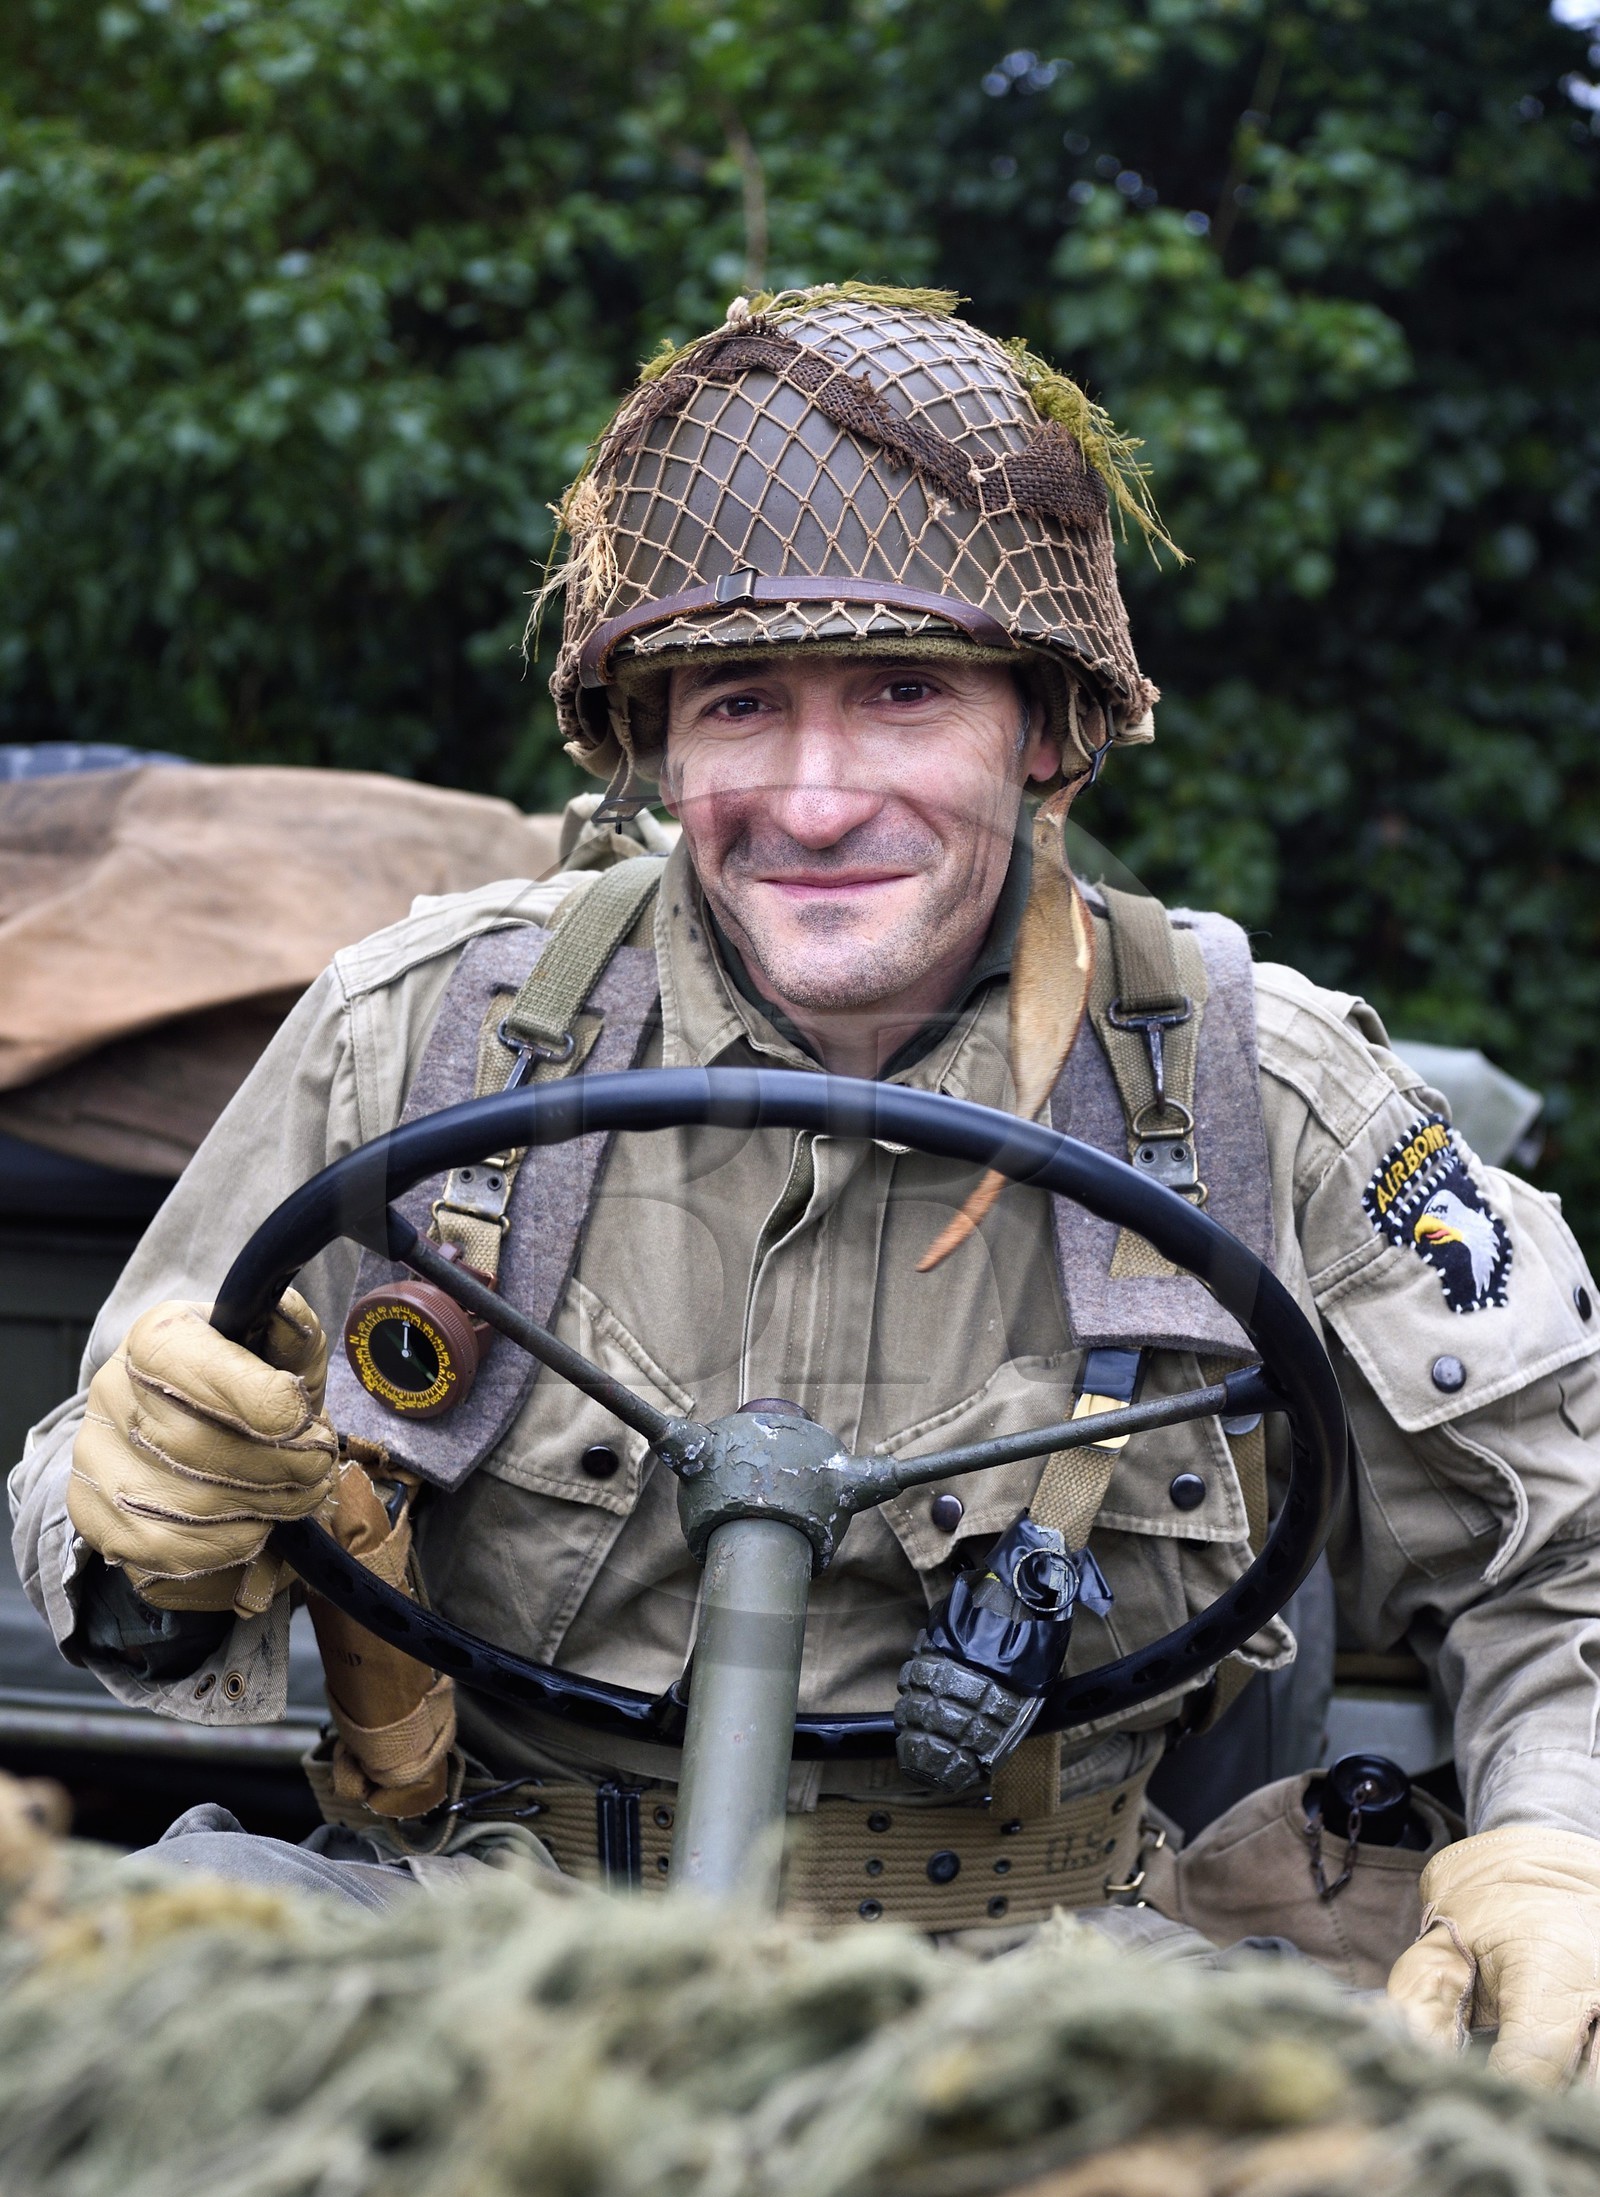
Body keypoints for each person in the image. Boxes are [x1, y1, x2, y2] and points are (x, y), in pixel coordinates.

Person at [11, 287, 1600, 2084]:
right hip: (468, 1944)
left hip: (1063, 1991)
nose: (818, 798)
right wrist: (149, 1516)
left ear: (1048, 730)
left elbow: (1565, 1554)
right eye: (743, 703)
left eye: (905, 693)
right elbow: (105, 1510)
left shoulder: (1260, 1090)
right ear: (656, 742)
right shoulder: (426, 1033)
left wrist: (1556, 1849)